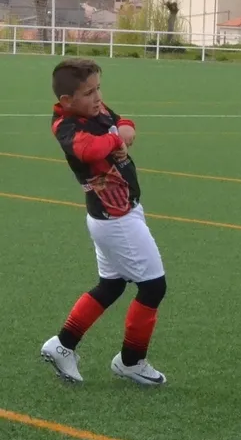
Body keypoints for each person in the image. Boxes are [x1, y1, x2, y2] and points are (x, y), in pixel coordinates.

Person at [41, 58, 167, 386]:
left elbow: (121, 121)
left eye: (98, 88)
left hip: (120, 212)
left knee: (111, 285)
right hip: (115, 218)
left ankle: (62, 345)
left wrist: (125, 130)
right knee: (153, 286)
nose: (98, 97)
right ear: (67, 101)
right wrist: (116, 140)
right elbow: (89, 149)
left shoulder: (95, 109)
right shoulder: (66, 125)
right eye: (89, 92)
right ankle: (131, 362)